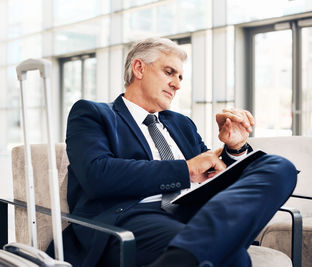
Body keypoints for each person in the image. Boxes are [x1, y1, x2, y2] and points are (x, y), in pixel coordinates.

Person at [56, 37, 297, 267]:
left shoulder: (182, 123)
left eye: (180, 77)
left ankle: (187, 254)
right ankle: (203, 247)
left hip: (197, 212)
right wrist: (187, 168)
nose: (178, 84)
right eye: (169, 72)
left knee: (279, 167)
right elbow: (97, 175)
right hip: (130, 218)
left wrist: (234, 148)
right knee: (232, 259)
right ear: (139, 68)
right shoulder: (93, 114)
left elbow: (212, 173)